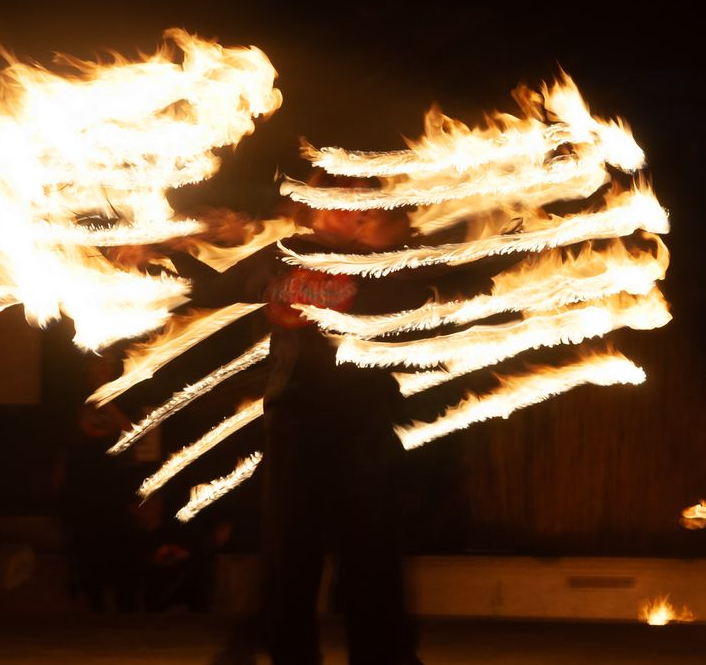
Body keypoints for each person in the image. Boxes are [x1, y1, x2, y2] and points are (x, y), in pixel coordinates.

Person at [165, 175, 476, 664]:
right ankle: (290, 654)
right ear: (315, 206)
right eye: (341, 202)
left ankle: (385, 656)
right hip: (295, 422)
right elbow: (213, 288)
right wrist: (170, 252)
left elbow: (429, 300)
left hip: (362, 423)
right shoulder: (283, 256)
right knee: (290, 555)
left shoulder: (382, 262)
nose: (352, 213)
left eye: (361, 205)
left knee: (371, 553)